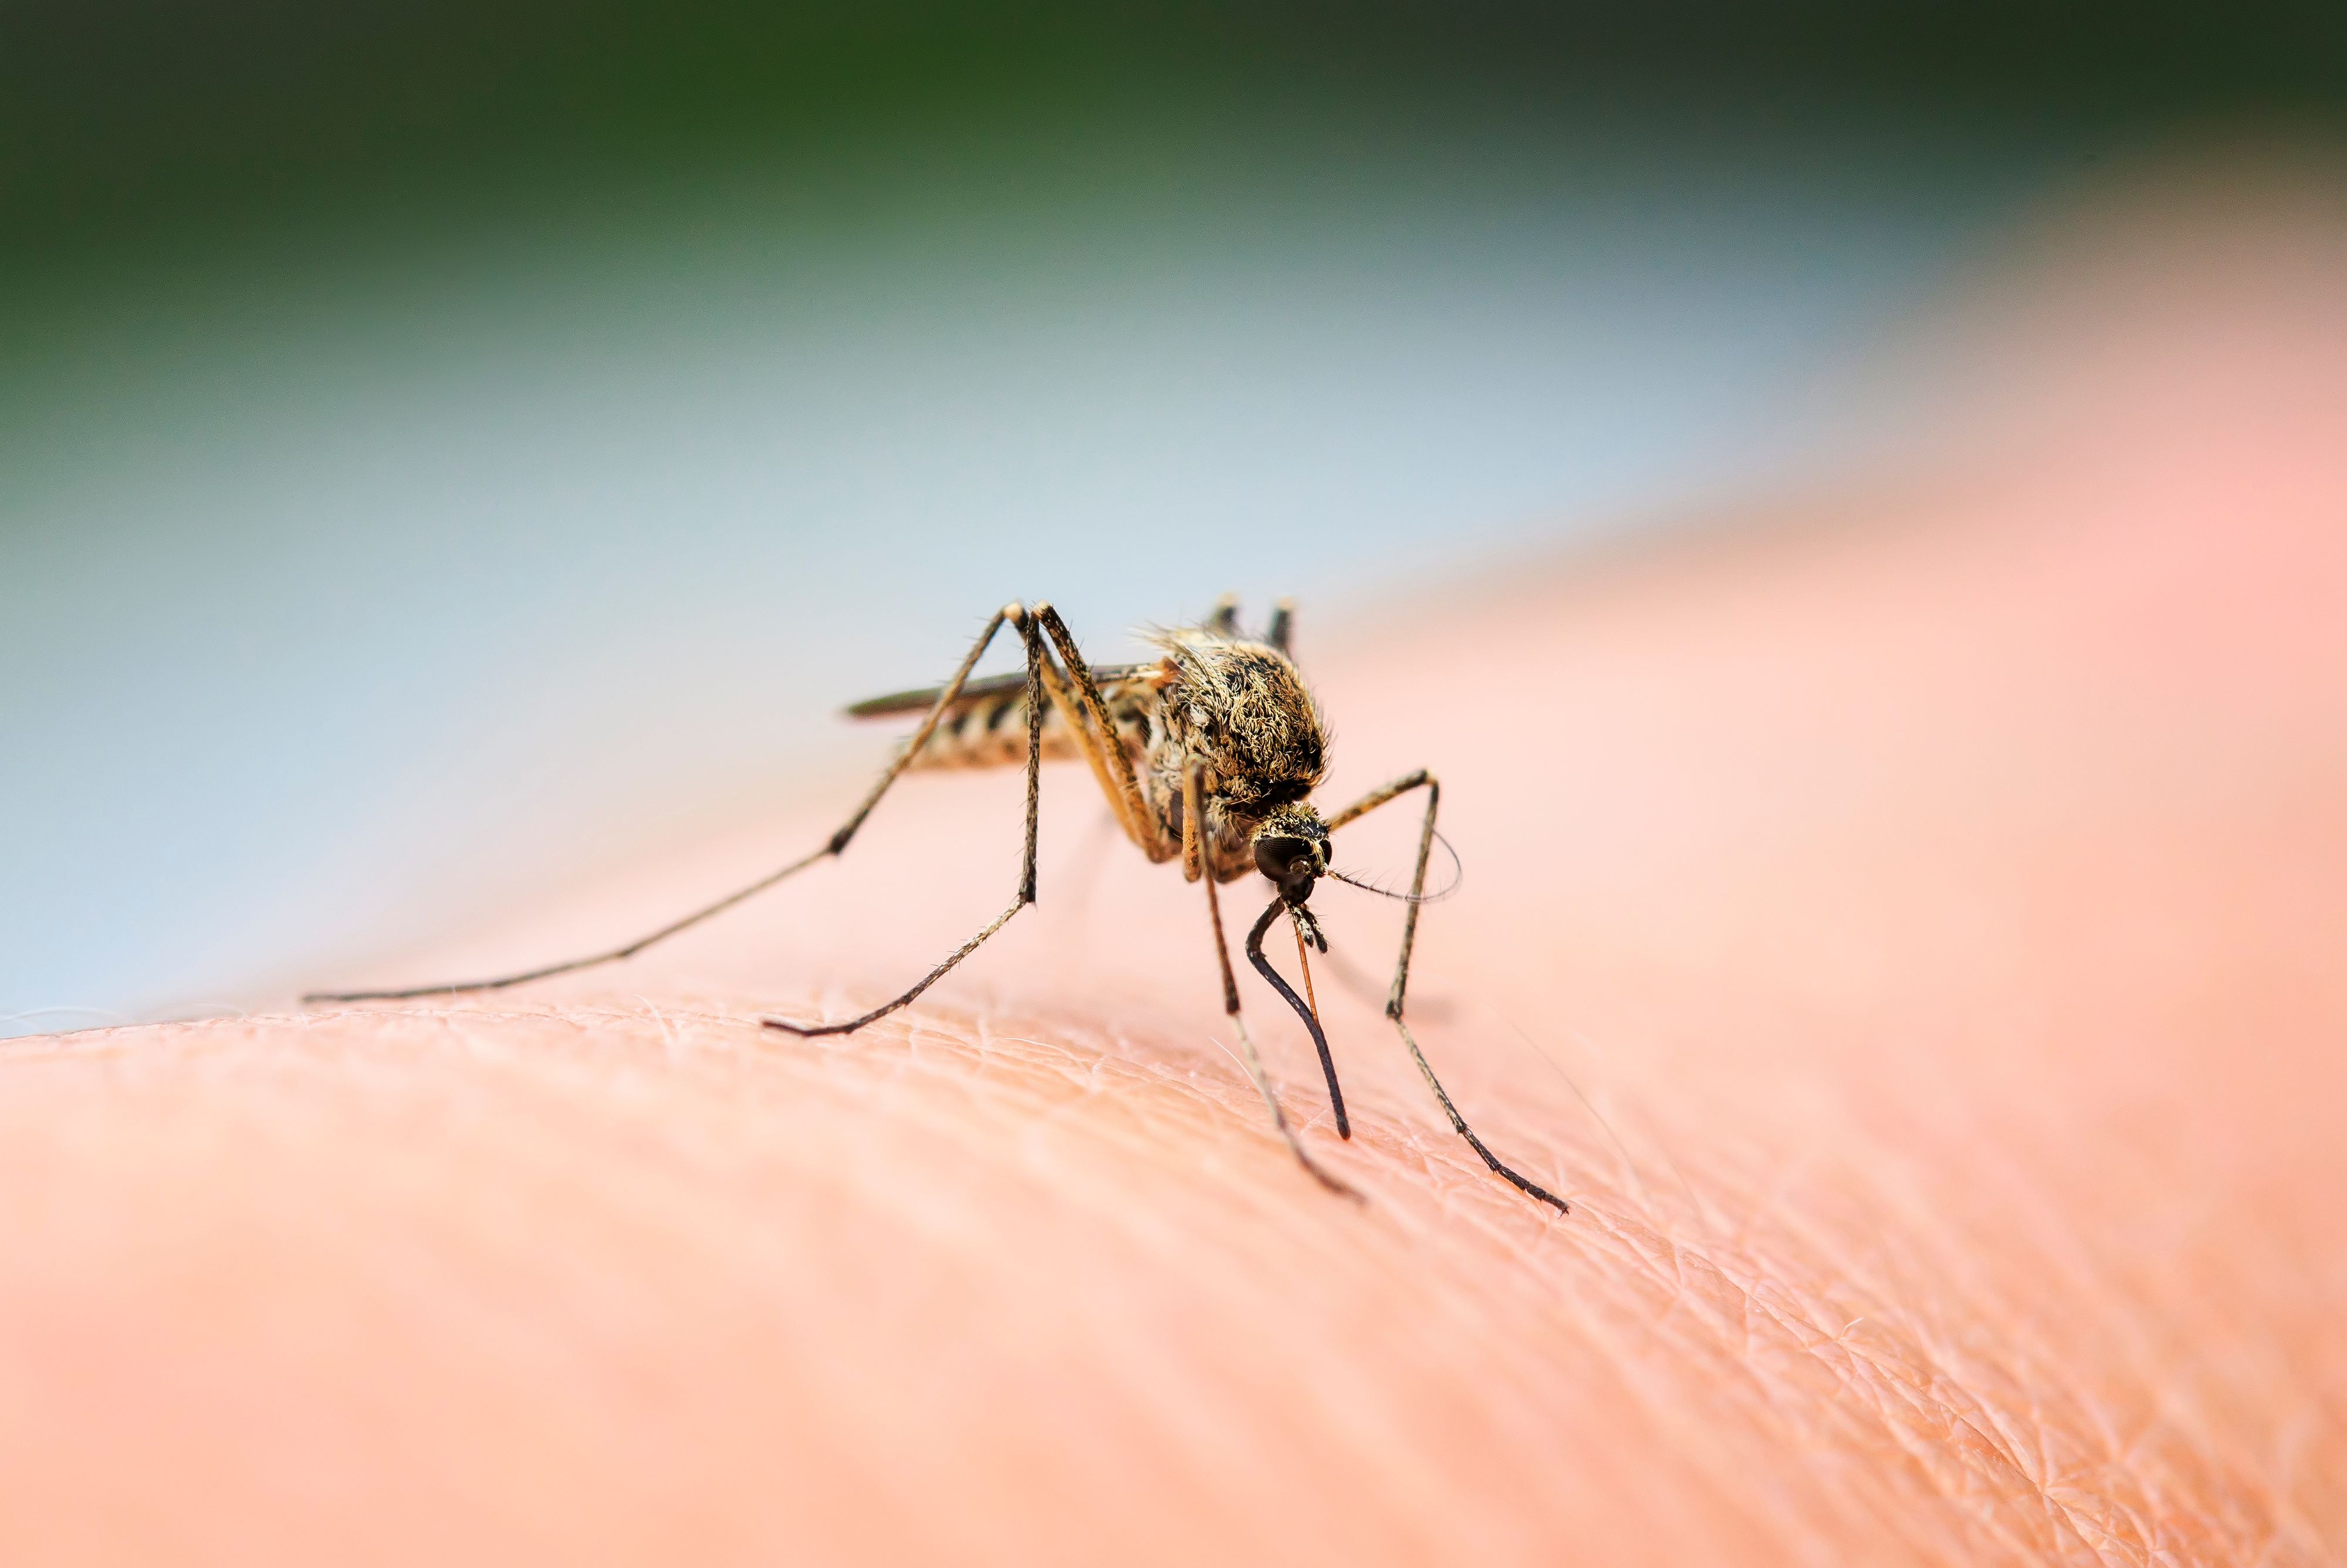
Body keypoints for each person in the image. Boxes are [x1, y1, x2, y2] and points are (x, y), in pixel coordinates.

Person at [4, 205, 2342, 1566]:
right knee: (1054, 653)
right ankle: (783, 919)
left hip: (1206, 723)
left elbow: (1322, 801)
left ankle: (1343, 1032)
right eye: (1289, 889)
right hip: (1072, 729)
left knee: (1339, 749)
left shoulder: (1330, 791)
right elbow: (1180, 729)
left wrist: (1386, 986)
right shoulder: (1193, 768)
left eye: (1294, 886)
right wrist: (1105, 849)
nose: (1296, 893)